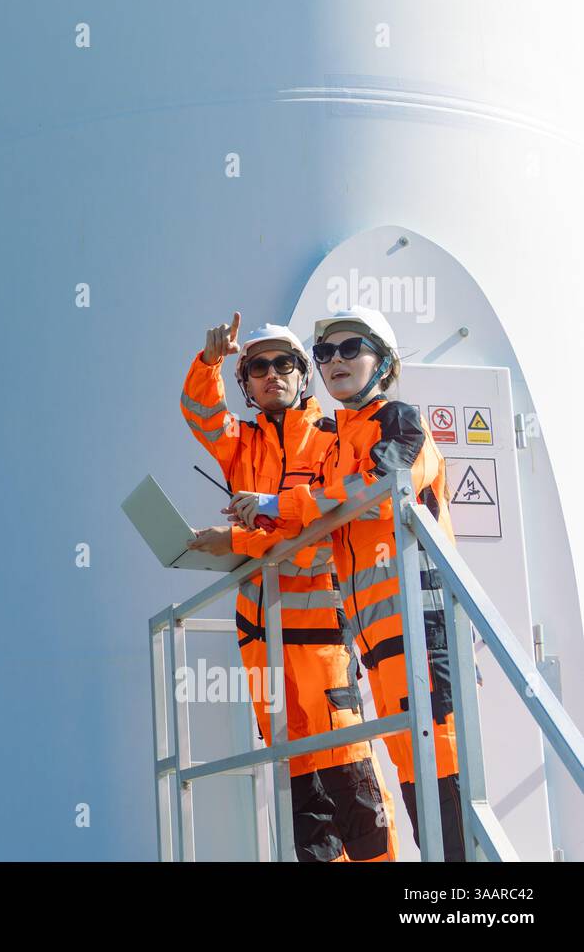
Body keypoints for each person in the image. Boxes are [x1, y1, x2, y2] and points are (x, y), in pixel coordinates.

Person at [230, 305, 466, 861]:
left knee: (445, 778)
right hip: (378, 642)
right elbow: (316, 515)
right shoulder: (339, 444)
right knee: (416, 782)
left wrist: (276, 503)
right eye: (325, 352)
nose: (335, 360)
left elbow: (378, 485)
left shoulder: (398, 421)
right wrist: (248, 529)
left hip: (423, 630)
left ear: (383, 363)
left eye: (350, 348)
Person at [181, 312, 398, 862]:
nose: (271, 374)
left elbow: (324, 535)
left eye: (285, 364)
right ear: (247, 382)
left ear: (305, 375)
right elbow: (201, 413)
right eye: (257, 367)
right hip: (262, 639)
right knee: (302, 797)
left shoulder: (334, 440)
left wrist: (241, 539)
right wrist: (209, 362)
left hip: (322, 634)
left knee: (352, 783)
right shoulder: (241, 443)